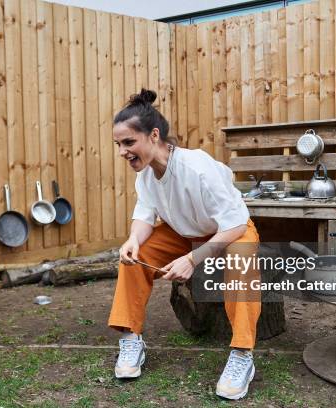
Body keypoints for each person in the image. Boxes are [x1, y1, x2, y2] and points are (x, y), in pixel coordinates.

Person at [108, 89, 261, 400]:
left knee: (242, 260)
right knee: (134, 258)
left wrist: (192, 260)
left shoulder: (197, 167)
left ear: (153, 136)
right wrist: (132, 240)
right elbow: (145, 216)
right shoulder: (146, 176)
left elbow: (233, 224)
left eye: (128, 142)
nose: (122, 151)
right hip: (184, 231)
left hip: (230, 230)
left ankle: (242, 355)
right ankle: (131, 338)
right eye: (118, 145)